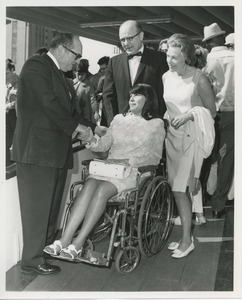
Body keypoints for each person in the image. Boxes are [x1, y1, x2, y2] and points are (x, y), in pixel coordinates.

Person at [12, 32, 106, 275]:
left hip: (52, 152)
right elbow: (49, 104)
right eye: (77, 56)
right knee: (38, 210)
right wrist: (78, 128)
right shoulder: (36, 66)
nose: (77, 62)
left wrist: (94, 127)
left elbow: (69, 111)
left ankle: (41, 253)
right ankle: (31, 261)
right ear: (62, 49)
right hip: (37, 153)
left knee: (50, 209)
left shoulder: (58, 74)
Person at [44, 83, 166, 261]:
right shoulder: (118, 120)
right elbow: (104, 145)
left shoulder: (156, 124)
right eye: (131, 94)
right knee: (89, 184)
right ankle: (64, 240)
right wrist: (91, 139)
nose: (131, 98)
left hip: (133, 172)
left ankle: (78, 243)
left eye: (137, 95)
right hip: (109, 168)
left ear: (149, 100)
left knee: (101, 190)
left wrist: (130, 162)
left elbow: (155, 157)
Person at [163, 33, 216, 258]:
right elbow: (169, 107)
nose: (169, 61)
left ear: (186, 56)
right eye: (167, 56)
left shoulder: (199, 78)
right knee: (177, 190)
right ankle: (186, 236)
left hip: (191, 139)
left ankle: (187, 240)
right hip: (172, 139)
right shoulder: (166, 77)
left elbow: (212, 112)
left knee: (180, 190)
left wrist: (189, 116)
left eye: (174, 57)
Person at [103, 20, 168, 126]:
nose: (126, 44)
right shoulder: (114, 62)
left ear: (141, 36)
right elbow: (108, 96)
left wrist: (159, 121)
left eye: (129, 38)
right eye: (122, 40)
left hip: (151, 125)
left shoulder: (160, 59)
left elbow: (164, 93)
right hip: (122, 125)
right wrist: (113, 123)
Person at [202, 23, 234, 218]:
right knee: (227, 158)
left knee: (215, 156)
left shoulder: (209, 62)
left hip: (217, 112)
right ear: (222, 39)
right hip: (234, 112)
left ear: (208, 44)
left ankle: (211, 200)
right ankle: (220, 202)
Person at [6, 59, 18, 166]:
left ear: (12, 70)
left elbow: (19, 101)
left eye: (7, 73)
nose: (5, 76)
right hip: (6, 116)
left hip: (16, 116)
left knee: (17, 145)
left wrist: (8, 105)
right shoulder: (5, 82)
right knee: (5, 145)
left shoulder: (18, 81)